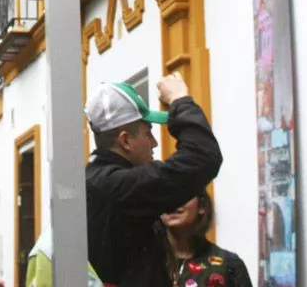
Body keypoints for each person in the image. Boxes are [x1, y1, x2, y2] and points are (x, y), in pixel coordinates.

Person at [85, 73, 223, 287]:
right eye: (148, 133)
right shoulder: (116, 187)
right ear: (125, 141)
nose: (155, 143)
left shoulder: (97, 180)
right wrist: (180, 100)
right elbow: (202, 156)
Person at [161, 189, 252, 287]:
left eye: (183, 194)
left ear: (202, 205)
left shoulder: (230, 266)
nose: (173, 202)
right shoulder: (146, 261)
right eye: (167, 194)